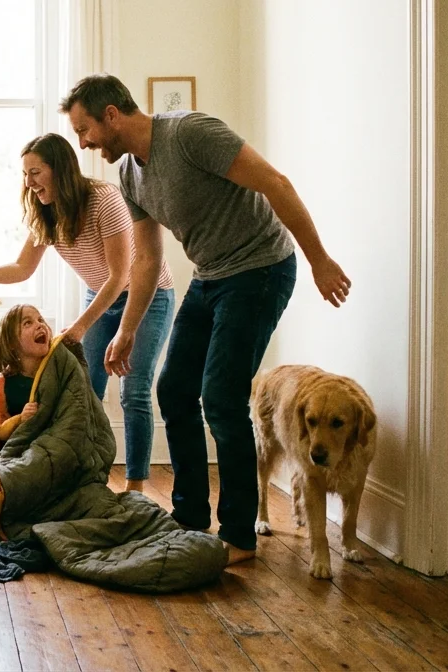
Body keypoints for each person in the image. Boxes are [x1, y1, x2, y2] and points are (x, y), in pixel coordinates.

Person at [61, 73, 351, 564]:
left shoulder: (190, 134)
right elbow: (148, 261)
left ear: (112, 114)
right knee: (173, 389)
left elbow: (275, 183)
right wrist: (127, 329)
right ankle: (190, 517)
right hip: (210, 275)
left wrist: (319, 259)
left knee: (220, 396)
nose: (84, 143)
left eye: (84, 129)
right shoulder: (130, 175)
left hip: (260, 268)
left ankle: (238, 534)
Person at [0, 133, 175, 492]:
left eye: (35, 172)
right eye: (25, 174)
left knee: (134, 391)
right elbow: (23, 268)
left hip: (146, 296)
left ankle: (135, 486)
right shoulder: (45, 212)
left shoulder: (103, 200)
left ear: (61, 170)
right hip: (100, 294)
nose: (29, 182)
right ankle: (87, 479)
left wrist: (79, 327)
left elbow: (119, 276)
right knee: (84, 391)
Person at [0, 304, 53, 442]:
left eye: (40, 319)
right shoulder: (2, 382)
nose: (40, 325)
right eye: (27, 323)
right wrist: (20, 419)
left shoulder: (57, 371)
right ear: (11, 342)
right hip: (18, 448)